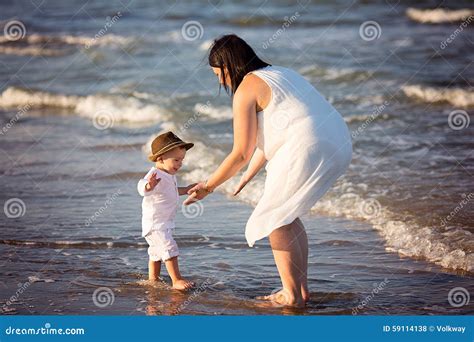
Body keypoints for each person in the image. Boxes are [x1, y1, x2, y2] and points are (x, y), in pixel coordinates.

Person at [184, 34, 352, 307]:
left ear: (229, 65)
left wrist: (209, 186)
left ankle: (291, 297)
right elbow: (274, 133)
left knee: (274, 218)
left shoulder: (246, 89)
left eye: (219, 73)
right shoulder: (282, 73)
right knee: (287, 215)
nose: (220, 81)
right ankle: (300, 290)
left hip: (307, 145)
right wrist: (247, 176)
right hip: (339, 141)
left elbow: (241, 152)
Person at [138, 131, 196, 290]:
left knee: (156, 253)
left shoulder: (169, 174)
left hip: (162, 223)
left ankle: (153, 279)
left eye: (182, 160)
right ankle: (176, 280)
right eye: (176, 160)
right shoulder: (155, 174)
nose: (180, 164)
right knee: (169, 247)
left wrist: (187, 190)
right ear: (160, 158)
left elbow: (172, 191)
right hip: (156, 223)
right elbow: (141, 186)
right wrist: (148, 186)